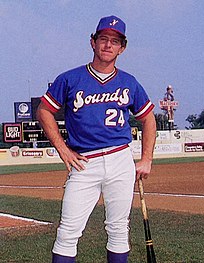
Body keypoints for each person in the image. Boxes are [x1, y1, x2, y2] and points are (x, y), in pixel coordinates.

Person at [36, 15, 156, 263]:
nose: (108, 45)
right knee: (67, 233)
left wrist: (146, 159)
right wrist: (63, 149)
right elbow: (44, 110)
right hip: (84, 162)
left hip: (120, 159)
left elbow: (148, 118)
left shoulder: (129, 82)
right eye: (103, 39)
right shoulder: (69, 79)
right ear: (93, 42)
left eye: (115, 41)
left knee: (119, 230)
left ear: (122, 48)